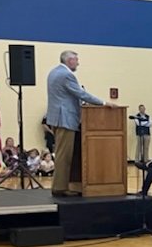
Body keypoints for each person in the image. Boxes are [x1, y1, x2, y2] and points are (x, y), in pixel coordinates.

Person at [45, 50, 110, 197]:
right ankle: (60, 188)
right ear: (69, 61)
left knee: (62, 153)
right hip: (65, 119)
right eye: (76, 60)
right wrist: (104, 103)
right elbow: (81, 94)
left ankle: (61, 185)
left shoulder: (53, 72)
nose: (78, 63)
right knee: (64, 155)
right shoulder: (66, 75)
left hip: (57, 118)